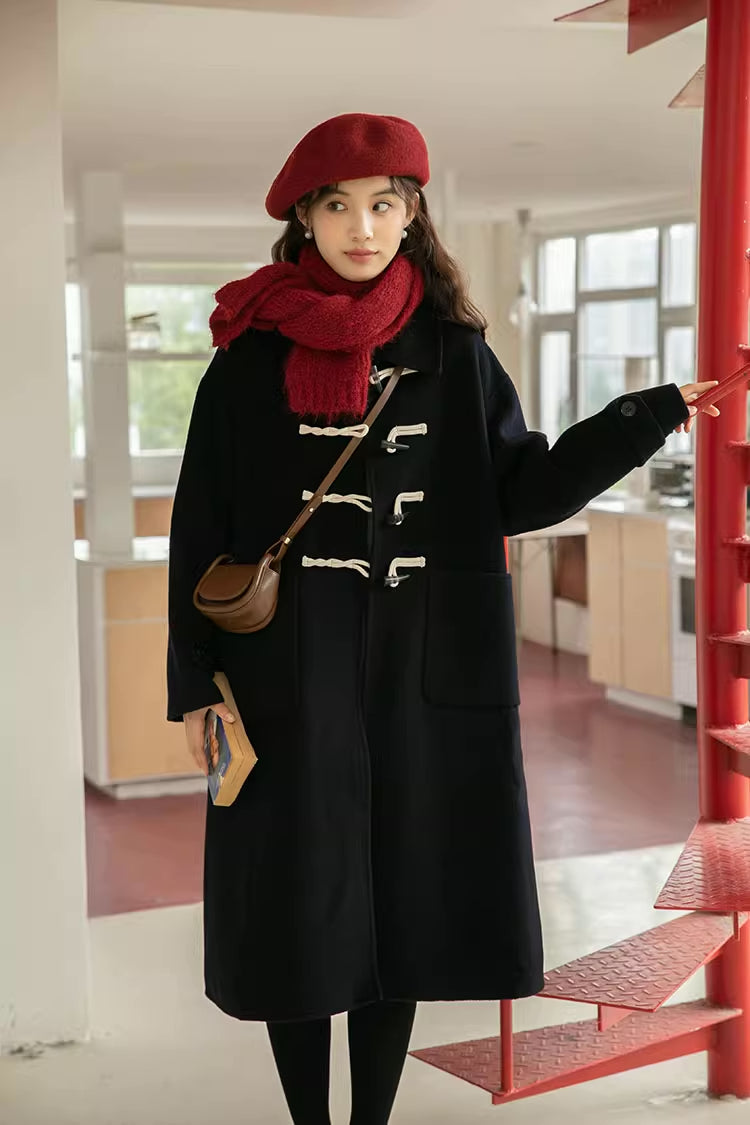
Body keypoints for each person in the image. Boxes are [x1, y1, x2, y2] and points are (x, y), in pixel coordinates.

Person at [166, 112, 718, 1125]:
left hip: (426, 666)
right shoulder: (246, 358)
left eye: (384, 206)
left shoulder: (454, 354)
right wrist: (195, 682)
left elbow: (523, 490)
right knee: (299, 908)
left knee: (405, 909)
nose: (362, 227)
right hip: (287, 672)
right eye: (339, 207)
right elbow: (199, 525)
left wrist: (646, 416)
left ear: (412, 215)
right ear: (304, 219)